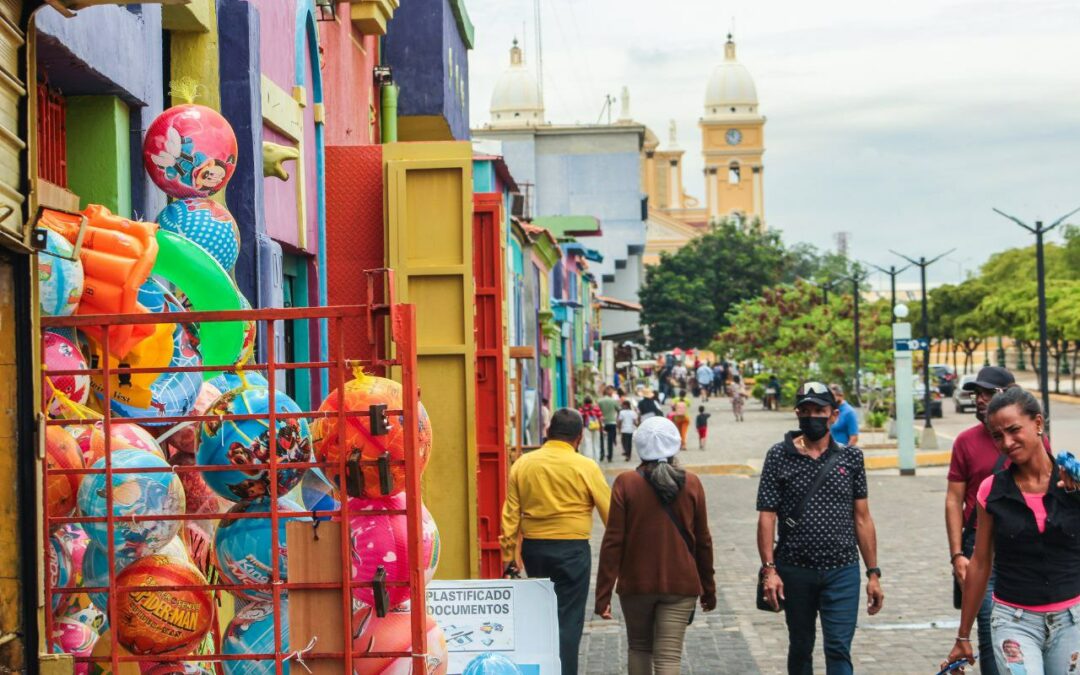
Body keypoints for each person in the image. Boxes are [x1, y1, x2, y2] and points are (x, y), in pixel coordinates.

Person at [943, 387, 1080, 674]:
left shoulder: (1072, 482)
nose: (1006, 442)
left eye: (1014, 430)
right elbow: (981, 562)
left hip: (1072, 620)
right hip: (1014, 623)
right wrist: (963, 636)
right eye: (997, 435)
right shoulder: (991, 491)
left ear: (1038, 424)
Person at [757, 382, 884, 675]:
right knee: (800, 646)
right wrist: (770, 570)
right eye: (806, 410)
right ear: (797, 413)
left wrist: (873, 573)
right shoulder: (778, 455)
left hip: (842, 570)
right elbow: (767, 516)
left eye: (820, 411)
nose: (812, 417)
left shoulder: (852, 458)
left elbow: (862, 517)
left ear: (834, 415)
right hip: (794, 569)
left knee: (838, 647)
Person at [595, 417, 716, 675]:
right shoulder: (692, 483)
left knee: (639, 648)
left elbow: (613, 542)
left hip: (636, 584)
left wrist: (603, 594)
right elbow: (703, 540)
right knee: (669, 658)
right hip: (681, 584)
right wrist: (708, 588)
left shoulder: (626, 483)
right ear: (674, 446)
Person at [500, 409, 611, 675]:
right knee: (569, 620)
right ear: (579, 436)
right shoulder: (585, 466)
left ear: (548, 432)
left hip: (535, 550)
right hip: (573, 549)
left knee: (543, 616)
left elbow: (511, 514)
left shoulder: (524, 464)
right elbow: (610, 514)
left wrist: (508, 554)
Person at [944, 366, 1019, 675]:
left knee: (1017, 635)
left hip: (1019, 547)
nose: (980, 400)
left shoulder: (1026, 440)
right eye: (977, 394)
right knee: (990, 635)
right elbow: (953, 499)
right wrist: (957, 554)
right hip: (979, 549)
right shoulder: (965, 441)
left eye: (988, 394)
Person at [599, 386, 622, 463]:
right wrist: (617, 418)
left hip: (602, 423)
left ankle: (601, 455)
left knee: (601, 440)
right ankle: (610, 457)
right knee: (610, 440)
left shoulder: (599, 401)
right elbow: (619, 410)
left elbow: (597, 412)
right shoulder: (613, 401)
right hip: (612, 422)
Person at [578, 396, 603, 462]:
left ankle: (589, 460)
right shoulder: (596, 408)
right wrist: (601, 427)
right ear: (591, 401)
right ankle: (597, 460)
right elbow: (600, 418)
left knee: (588, 444)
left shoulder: (581, 409)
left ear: (584, 402)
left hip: (586, 428)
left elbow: (580, 419)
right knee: (596, 444)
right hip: (596, 428)